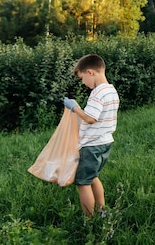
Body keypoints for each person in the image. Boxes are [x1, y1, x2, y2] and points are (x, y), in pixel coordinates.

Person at [63, 54, 119, 217]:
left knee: (83, 183)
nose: (83, 83)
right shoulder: (111, 90)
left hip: (91, 146)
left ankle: (89, 220)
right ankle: (102, 211)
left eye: (82, 78)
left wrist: (74, 107)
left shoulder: (97, 93)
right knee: (93, 177)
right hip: (105, 142)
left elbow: (90, 118)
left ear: (90, 72)